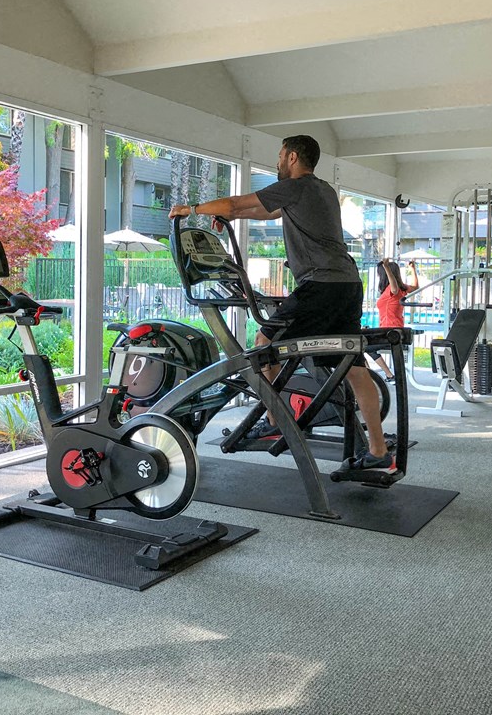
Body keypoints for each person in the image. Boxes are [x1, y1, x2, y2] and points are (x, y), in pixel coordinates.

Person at [168, 135, 393, 469]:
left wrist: (192, 210)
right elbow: (268, 212)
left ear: (292, 157)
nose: (277, 162)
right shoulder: (323, 190)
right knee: (355, 368)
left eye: (279, 155)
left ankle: (275, 422)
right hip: (347, 285)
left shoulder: (295, 186)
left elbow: (235, 204)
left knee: (264, 343)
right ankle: (377, 451)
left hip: (319, 285)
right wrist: (237, 219)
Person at [366, 258, 419, 381]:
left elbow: (394, 288)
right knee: (363, 344)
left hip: (390, 332)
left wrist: (386, 268)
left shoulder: (393, 289)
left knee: (363, 347)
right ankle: (385, 375)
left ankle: (387, 375)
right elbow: (415, 286)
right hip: (390, 330)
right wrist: (413, 269)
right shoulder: (402, 289)